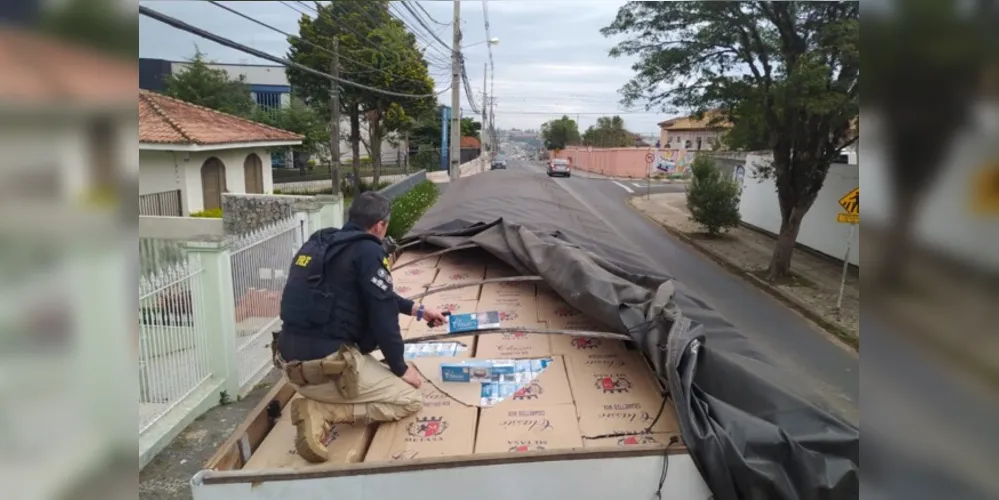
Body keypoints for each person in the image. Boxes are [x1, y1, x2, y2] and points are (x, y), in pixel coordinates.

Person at [275, 191, 447, 463]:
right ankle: (324, 410)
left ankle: (321, 400)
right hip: (327, 372)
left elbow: (370, 293)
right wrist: (401, 369)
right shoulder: (368, 249)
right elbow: (384, 320)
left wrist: (419, 310)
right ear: (380, 225)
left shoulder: (322, 241)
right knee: (409, 399)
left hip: (291, 368)